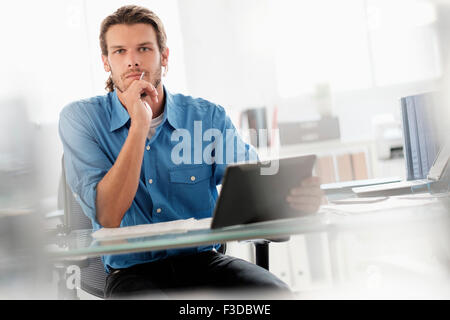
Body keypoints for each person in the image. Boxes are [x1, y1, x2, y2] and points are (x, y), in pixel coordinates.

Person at [59, 5, 323, 299]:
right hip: (132, 274)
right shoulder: (80, 119)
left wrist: (293, 200)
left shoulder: (205, 117)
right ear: (106, 62)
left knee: (277, 296)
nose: (132, 61)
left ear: (165, 56)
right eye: (119, 51)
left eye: (144, 48)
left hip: (204, 263)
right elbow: (108, 214)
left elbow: (257, 190)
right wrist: (139, 123)